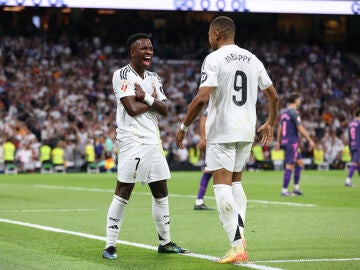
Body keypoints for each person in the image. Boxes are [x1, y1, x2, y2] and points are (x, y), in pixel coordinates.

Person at [175, 16, 279, 264]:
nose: (208, 39)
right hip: (246, 130)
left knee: (221, 186)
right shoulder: (252, 58)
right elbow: (274, 97)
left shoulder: (214, 58)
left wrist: (184, 126)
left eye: (209, 34)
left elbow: (202, 98)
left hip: (222, 130)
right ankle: (240, 238)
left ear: (217, 34)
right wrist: (270, 123)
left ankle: (236, 246)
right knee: (235, 184)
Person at [102, 33, 188, 260]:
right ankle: (110, 245)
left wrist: (147, 98)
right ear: (133, 52)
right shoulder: (121, 75)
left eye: (150, 48)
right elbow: (130, 108)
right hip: (132, 141)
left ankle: (165, 242)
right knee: (124, 190)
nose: (148, 51)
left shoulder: (154, 77)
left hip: (153, 140)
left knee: (161, 191)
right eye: (143, 48)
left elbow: (165, 109)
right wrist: (151, 100)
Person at [274, 92, 315, 196]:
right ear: (296, 100)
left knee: (300, 162)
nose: (300, 101)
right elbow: (300, 128)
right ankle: (284, 191)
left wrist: (278, 142)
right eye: (299, 99)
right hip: (292, 142)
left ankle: (296, 188)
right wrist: (310, 139)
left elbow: (280, 128)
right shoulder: (294, 112)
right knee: (290, 165)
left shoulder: (284, 113)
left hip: (287, 142)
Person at [194, 110, 213, 210]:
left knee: (209, 172)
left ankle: (199, 201)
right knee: (208, 171)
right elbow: (203, 118)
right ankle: (198, 201)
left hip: (218, 142)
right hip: (214, 143)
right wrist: (203, 138)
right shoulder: (215, 101)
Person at [344, 109, 360, 187]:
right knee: (355, 163)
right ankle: (347, 181)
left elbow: (349, 137)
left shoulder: (350, 124)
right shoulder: (359, 123)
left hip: (353, 145)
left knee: (358, 163)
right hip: (358, 145)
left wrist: (350, 148)